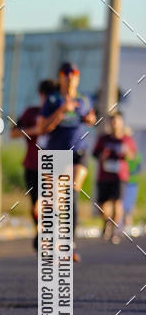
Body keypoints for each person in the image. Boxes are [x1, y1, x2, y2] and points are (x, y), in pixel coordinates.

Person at [38, 61, 96, 262]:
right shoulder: (53, 99)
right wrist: (62, 109)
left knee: (72, 192)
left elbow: (91, 116)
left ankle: (69, 244)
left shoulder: (84, 99)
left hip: (79, 152)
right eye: (66, 73)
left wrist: (90, 119)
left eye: (74, 73)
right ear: (61, 77)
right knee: (55, 201)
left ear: (78, 77)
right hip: (57, 151)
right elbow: (42, 127)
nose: (70, 76)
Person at [11, 79, 55, 250]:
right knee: (35, 204)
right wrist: (35, 130)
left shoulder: (61, 114)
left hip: (53, 166)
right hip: (32, 166)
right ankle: (41, 231)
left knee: (48, 203)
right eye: (47, 96)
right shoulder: (31, 112)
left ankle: (47, 236)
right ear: (41, 95)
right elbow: (13, 133)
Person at [93, 112, 136, 244]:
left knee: (118, 203)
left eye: (117, 121)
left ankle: (115, 231)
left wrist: (126, 151)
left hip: (120, 176)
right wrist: (102, 156)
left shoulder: (126, 139)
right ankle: (107, 222)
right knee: (102, 207)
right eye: (112, 121)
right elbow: (95, 154)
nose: (115, 124)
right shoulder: (103, 139)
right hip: (104, 176)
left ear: (121, 122)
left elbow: (132, 157)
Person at [122, 126, 142, 231]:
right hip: (122, 182)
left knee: (128, 207)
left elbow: (137, 167)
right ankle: (120, 227)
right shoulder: (121, 154)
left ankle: (127, 227)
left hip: (132, 183)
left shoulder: (136, 154)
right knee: (121, 205)